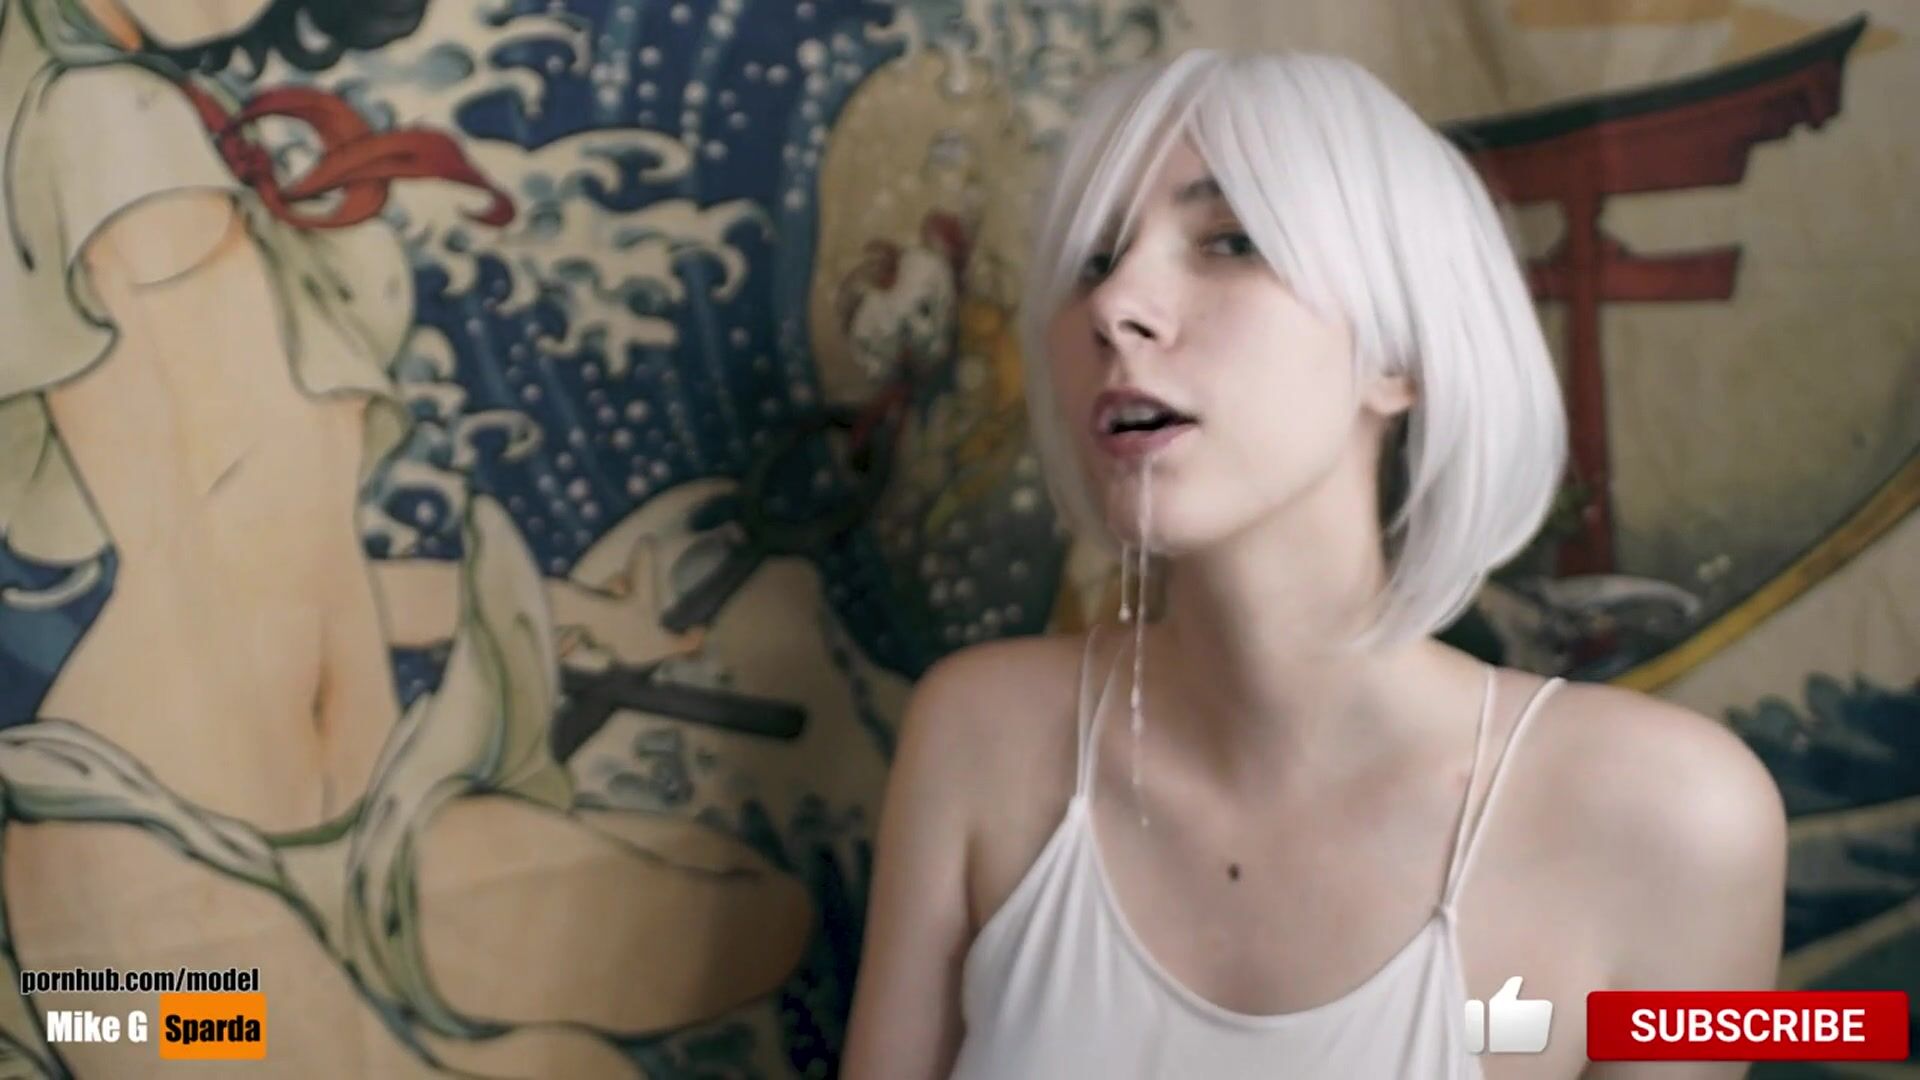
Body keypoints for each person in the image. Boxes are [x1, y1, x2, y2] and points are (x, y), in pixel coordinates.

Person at [843, 48, 1786, 1079]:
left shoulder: (1677, 816)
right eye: (1093, 260)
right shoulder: (979, 736)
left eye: (1231, 241)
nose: (1115, 306)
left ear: (1400, 355)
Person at [0, 0, 809, 1075]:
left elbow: (304, 566)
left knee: (755, 922)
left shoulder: (221, 191)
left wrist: (571, 614)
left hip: (375, 837)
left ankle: (307, 1007)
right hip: (140, 844)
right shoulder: (91, 115)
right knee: (164, 1031)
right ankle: (58, 1017)